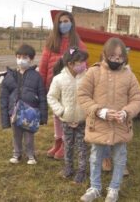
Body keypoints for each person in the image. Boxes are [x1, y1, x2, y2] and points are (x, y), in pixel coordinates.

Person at [77, 37, 140, 202]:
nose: (116, 60)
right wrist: (99, 111)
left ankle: (114, 188)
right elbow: (83, 95)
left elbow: (137, 99)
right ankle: (95, 187)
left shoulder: (129, 75)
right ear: (105, 54)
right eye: (113, 56)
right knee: (95, 157)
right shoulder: (93, 72)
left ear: (124, 58)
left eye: (120, 57)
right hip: (98, 124)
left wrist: (126, 112)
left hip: (121, 125)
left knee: (120, 157)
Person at [40, 11, 87, 160]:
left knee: (67, 114)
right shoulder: (51, 43)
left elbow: (84, 65)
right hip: (53, 84)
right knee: (57, 114)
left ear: (72, 23)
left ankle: (67, 144)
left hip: (71, 86)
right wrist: (41, 84)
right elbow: (43, 65)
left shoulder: (78, 44)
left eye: (66, 21)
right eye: (60, 22)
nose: (63, 24)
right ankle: (58, 141)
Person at [0, 44, 48, 165]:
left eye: (25, 57)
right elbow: (3, 97)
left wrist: (43, 115)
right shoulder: (9, 76)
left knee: (29, 135)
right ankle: (17, 154)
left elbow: (42, 96)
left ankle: (31, 155)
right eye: (19, 56)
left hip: (30, 113)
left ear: (31, 59)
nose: (21, 60)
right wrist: (5, 116)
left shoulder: (36, 76)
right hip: (14, 113)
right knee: (16, 135)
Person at [47, 47, 89, 183]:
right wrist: (61, 112)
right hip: (67, 120)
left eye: (84, 62)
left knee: (82, 147)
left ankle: (82, 171)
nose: (83, 65)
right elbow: (52, 97)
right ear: (70, 64)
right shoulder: (59, 79)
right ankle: (68, 168)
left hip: (83, 120)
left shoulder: (88, 77)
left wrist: (88, 113)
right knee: (68, 145)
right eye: (80, 62)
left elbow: (93, 96)